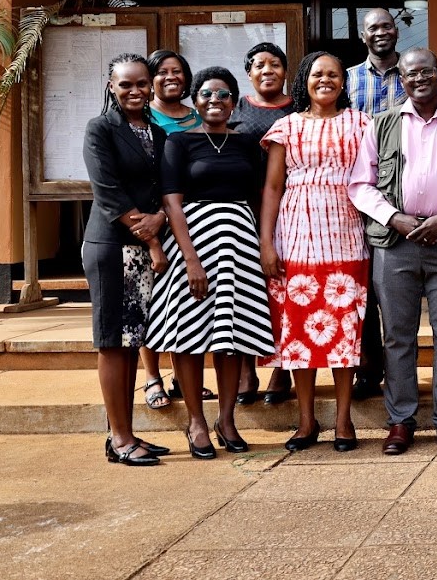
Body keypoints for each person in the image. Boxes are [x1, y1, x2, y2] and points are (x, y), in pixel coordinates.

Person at [348, 48, 437, 456]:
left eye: (426, 71)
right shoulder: (381, 125)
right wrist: (394, 218)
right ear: (400, 80)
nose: (418, 78)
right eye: (410, 74)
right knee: (398, 337)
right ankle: (400, 421)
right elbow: (360, 185)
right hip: (396, 244)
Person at [147, 67, 274, 459]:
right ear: (195, 101)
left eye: (222, 94)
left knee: (233, 333)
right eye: (206, 94)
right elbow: (172, 201)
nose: (214, 101)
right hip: (194, 242)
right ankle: (196, 421)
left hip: (239, 243)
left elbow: (261, 193)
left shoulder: (249, 143)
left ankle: (227, 418)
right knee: (189, 334)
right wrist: (190, 260)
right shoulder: (178, 141)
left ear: (234, 101)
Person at [260, 52, 371, 453]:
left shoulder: (361, 123)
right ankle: (306, 420)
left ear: (344, 82)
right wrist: (267, 243)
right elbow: (272, 188)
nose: (326, 80)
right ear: (304, 79)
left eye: (335, 75)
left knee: (344, 333)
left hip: (346, 235)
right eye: (318, 74)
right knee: (298, 335)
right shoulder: (285, 127)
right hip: (295, 238)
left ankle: (343, 420)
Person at [82, 53, 171, 466]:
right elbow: (109, 191)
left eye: (141, 84)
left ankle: (128, 433)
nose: (135, 91)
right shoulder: (100, 129)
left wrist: (161, 218)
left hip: (141, 244)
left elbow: (163, 190)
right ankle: (119, 439)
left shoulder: (157, 131)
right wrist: (153, 241)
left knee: (131, 341)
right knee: (112, 343)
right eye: (126, 85)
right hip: (112, 246)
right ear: (111, 87)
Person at [228, 41, 293, 405]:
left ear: (286, 71)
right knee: (246, 291)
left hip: (293, 211)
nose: (267, 70)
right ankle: (245, 370)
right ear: (249, 73)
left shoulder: (300, 108)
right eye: (259, 65)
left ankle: (281, 370)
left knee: (284, 292)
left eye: (275, 64)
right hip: (244, 209)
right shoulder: (236, 110)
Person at [346, 8, 405, 401]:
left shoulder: (417, 71)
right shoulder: (349, 79)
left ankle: (407, 371)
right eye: (373, 28)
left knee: (399, 288)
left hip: (406, 193)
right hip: (358, 192)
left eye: (386, 25)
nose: (380, 32)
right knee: (364, 285)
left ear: (396, 30)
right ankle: (368, 367)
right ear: (362, 36)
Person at [143, 49, 206, 408]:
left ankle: (183, 378)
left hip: (186, 221)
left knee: (180, 303)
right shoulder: (141, 117)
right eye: (163, 71)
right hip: (148, 221)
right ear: (151, 78)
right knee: (149, 302)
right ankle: (152, 378)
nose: (171, 77)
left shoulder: (198, 117)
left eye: (178, 71)